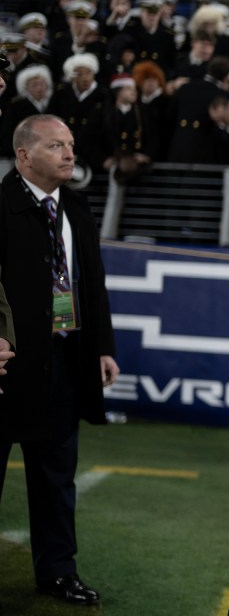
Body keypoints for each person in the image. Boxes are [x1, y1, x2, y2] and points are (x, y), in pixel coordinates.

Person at [0, 114, 119, 606]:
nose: (70, 154)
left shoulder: (77, 205)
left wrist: (103, 347)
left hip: (66, 361)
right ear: (24, 156)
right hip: (7, 368)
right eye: (56, 146)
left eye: (70, 144)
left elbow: (94, 283)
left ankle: (57, 573)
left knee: (55, 478)